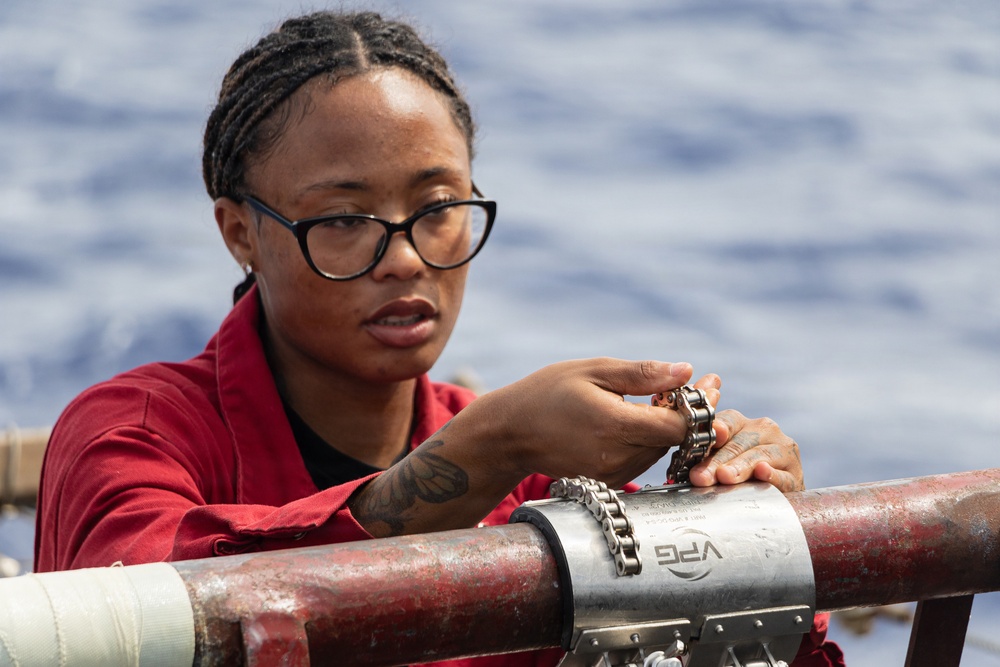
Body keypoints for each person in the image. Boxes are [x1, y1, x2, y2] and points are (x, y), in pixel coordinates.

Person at [34, 10, 843, 666]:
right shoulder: (130, 431)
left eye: (439, 206)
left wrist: (756, 532)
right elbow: (145, 605)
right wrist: (486, 446)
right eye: (346, 219)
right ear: (240, 232)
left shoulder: (538, 475)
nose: (408, 257)